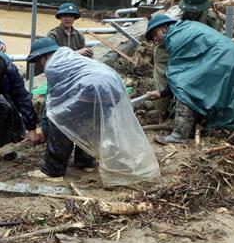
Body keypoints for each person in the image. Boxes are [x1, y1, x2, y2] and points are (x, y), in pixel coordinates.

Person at [26, 38, 159, 186]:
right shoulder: (69, 55)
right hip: (113, 84)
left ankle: (53, 170)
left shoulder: (53, 66)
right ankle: (85, 162)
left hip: (94, 88)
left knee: (61, 122)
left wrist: (46, 129)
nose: (40, 64)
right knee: (91, 123)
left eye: (39, 61)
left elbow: (53, 104)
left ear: (44, 56)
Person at [145, 14, 234, 144]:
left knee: (186, 90)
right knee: (230, 95)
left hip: (223, 61)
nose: (155, 39)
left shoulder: (175, 39)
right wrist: (161, 94)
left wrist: (164, 93)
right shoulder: (185, 27)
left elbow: (179, 78)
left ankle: (179, 135)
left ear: (165, 27)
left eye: (155, 33)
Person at [152, 0, 223, 119]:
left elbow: (215, 41)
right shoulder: (173, 17)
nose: (191, 13)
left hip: (200, 48)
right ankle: (161, 111)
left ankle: (201, 110)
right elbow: (158, 34)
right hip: (168, 47)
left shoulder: (211, 19)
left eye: (194, 11)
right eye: (188, 10)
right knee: (164, 74)